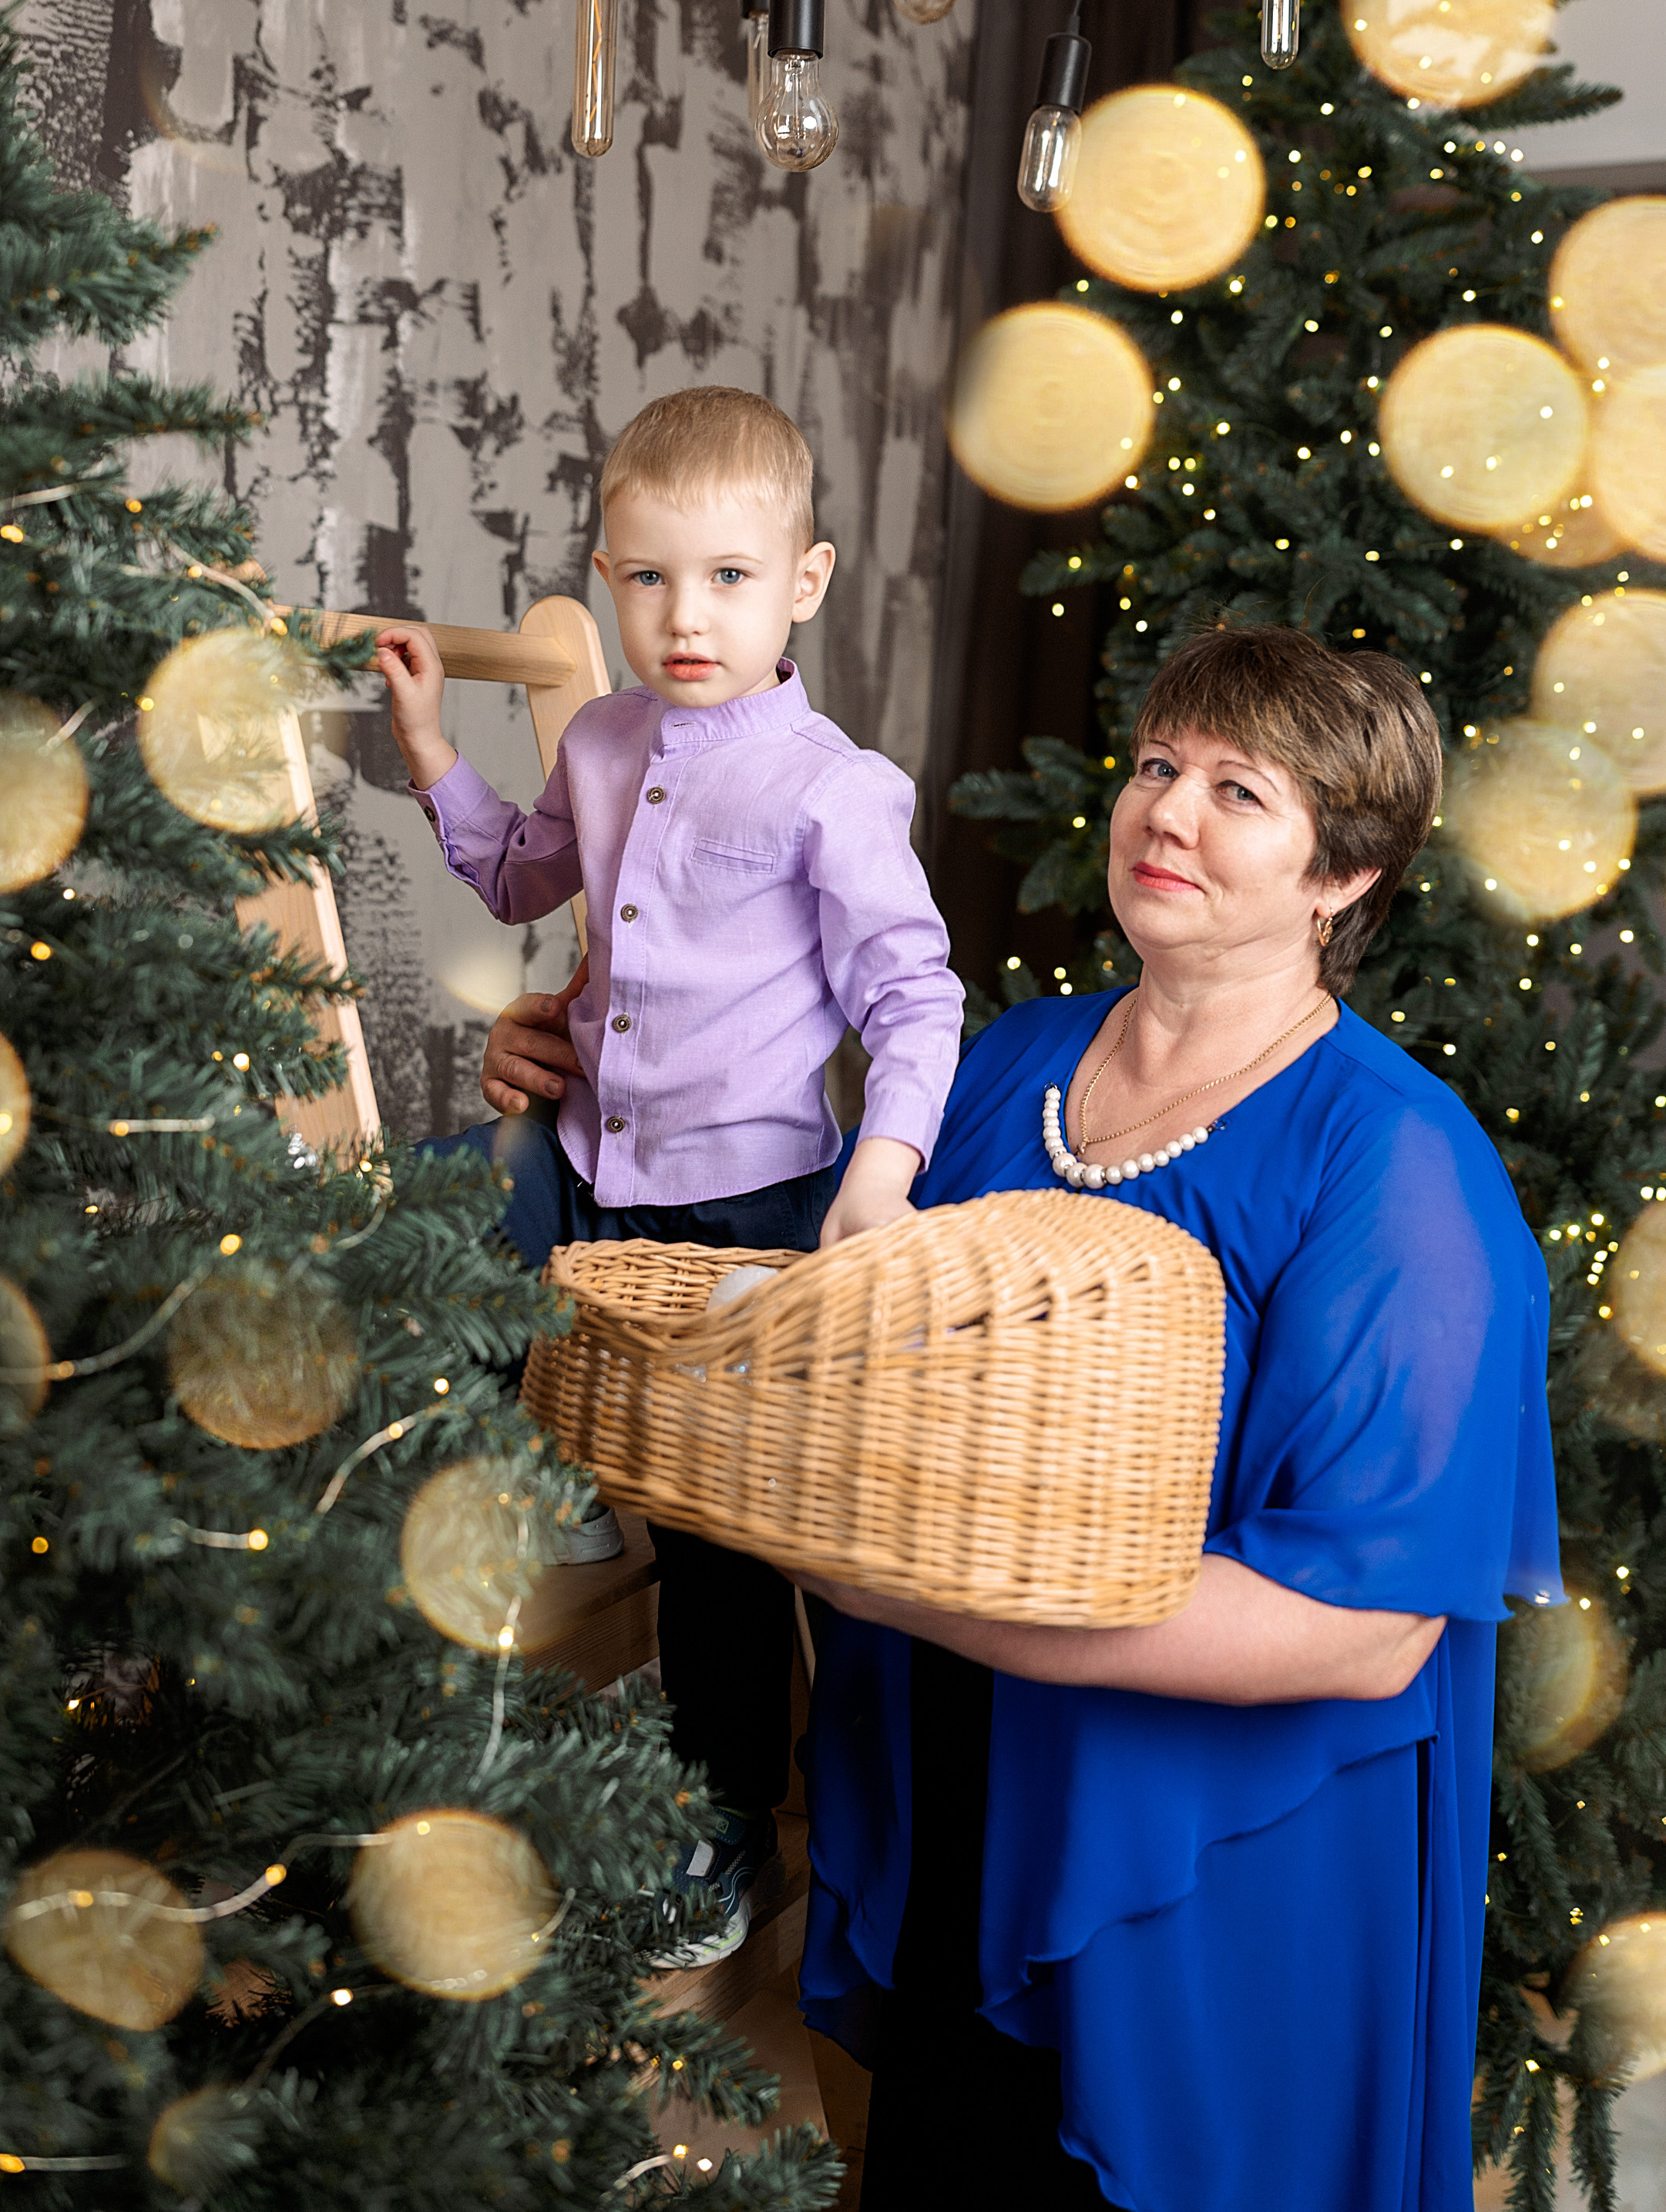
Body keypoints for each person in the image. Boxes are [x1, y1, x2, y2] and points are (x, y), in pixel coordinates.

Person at [778, 625, 1555, 2211]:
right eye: (1154, 766)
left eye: (1237, 790)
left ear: (1343, 874)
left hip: (1209, 1859)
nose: (1166, 813)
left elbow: (1363, 1627)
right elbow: (824, 1326)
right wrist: (578, 1089)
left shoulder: (1397, 1167)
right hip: (959, 1788)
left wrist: (939, 1598)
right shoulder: (1008, 1063)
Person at [381, 386, 963, 1964]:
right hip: (587, 1155)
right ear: (609, 570)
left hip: (750, 1201)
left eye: (724, 576)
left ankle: (722, 1840)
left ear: (805, 582)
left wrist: (883, 1169)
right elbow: (520, 872)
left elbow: (912, 993)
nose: (681, 614)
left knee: (719, 1558)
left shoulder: (832, 788)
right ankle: (509, 1500)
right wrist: (436, 752)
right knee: (420, 1225)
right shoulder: (603, 737)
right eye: (645, 578)